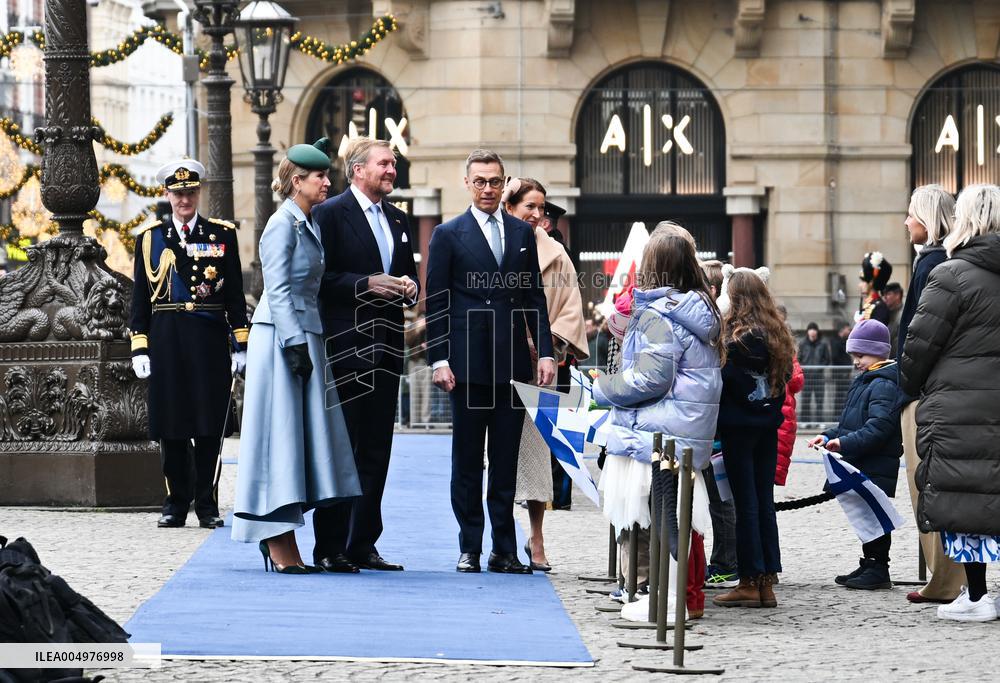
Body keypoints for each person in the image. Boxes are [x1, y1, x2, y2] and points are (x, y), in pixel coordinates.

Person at [230, 141, 361, 573]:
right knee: (279, 440)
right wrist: (294, 345)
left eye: (326, 175)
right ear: (295, 181)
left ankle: (284, 539)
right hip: (282, 338)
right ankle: (276, 539)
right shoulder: (281, 225)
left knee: (300, 441)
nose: (328, 182)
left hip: (305, 335)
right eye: (319, 176)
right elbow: (279, 290)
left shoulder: (307, 222)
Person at [426, 149, 555, 574]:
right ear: (467, 183)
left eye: (494, 181)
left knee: (505, 461)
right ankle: (470, 547)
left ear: (504, 184)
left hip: (513, 362)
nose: (487, 188)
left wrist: (547, 353)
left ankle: (505, 548)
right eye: (479, 181)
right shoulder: (448, 234)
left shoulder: (521, 233)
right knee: (466, 461)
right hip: (465, 366)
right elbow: (438, 302)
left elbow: (534, 296)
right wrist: (439, 359)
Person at [593, 222, 723, 621]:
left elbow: (652, 377)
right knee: (675, 521)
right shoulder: (696, 308)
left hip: (658, 431)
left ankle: (663, 602)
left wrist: (602, 389)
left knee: (653, 519)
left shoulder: (660, 314)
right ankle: (675, 598)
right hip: (682, 429)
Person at [310, 137, 420, 573]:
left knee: (377, 450)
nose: (392, 170)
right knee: (344, 449)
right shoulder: (330, 214)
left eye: (394, 164)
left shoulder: (398, 217)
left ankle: (363, 544)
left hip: (388, 348)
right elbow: (319, 279)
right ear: (357, 169)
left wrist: (409, 287)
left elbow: (407, 272)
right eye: (385, 164)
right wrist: (365, 284)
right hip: (346, 348)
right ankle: (330, 546)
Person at [129, 159, 249, 530]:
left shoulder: (221, 234)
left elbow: (234, 294)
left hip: (209, 339)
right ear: (168, 195)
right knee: (172, 425)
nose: (184, 199)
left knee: (209, 425)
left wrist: (240, 344)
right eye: (178, 193)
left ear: (199, 193)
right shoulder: (150, 239)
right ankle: (175, 503)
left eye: (190, 192)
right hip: (166, 338)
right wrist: (139, 346)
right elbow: (140, 300)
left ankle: (207, 504)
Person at [900, 183, 1000, 622]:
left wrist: (910, 384)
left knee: (967, 497)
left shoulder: (951, 274)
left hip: (961, 404)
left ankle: (976, 596)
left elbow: (918, 346)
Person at [502, 178, 589, 572]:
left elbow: (572, 309)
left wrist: (549, 345)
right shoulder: (494, 245)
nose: (537, 215)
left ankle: (536, 538)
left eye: (541, 207)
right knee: (499, 456)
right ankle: (499, 536)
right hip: (497, 363)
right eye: (529, 207)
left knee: (537, 456)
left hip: (541, 367)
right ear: (510, 207)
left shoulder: (557, 255)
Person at [895, 184, 963, 604]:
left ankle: (943, 580)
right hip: (939, 389)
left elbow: (919, 336)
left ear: (928, 219)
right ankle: (946, 578)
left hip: (924, 393)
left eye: (911, 215)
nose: (905, 222)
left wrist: (905, 381)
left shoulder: (930, 265)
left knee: (926, 486)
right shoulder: (945, 262)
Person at [712, 268, 795, 609]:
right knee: (763, 503)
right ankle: (767, 581)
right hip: (766, 428)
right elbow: (786, 378)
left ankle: (749, 580)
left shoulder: (732, 341)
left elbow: (722, 384)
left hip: (738, 429)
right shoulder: (777, 337)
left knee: (745, 504)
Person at [809, 319, 903, 590]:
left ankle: (878, 567)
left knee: (874, 517)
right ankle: (870, 562)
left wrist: (844, 443)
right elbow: (850, 422)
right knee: (865, 516)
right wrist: (828, 435)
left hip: (874, 462)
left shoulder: (883, 384)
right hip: (863, 460)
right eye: (853, 356)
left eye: (860, 355)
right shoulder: (867, 381)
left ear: (878, 352)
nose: (855, 361)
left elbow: (878, 428)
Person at [699, 259, 738, 590]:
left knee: (722, 503)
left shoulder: (724, 333)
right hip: (714, 432)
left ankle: (727, 564)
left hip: (718, 436)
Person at [775, 305, 804, 487]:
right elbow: (797, 381)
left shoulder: (774, 346)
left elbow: (796, 381)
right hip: (784, 420)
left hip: (777, 420)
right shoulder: (788, 350)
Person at [797, 322, 831, 425]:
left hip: (819, 376)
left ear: (817, 331)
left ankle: (819, 421)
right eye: (810, 329)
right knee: (805, 400)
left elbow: (827, 359)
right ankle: (804, 422)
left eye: (814, 329)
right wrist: (803, 368)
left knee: (819, 400)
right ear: (807, 331)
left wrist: (819, 368)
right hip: (806, 376)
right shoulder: (802, 343)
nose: (812, 332)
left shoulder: (823, 343)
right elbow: (798, 358)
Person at [856, 252, 892, 324]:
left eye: (863, 281)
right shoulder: (870, 303)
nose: (859, 285)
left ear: (871, 282)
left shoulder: (879, 307)